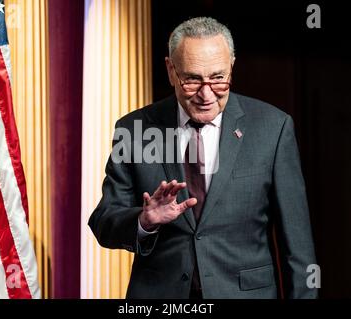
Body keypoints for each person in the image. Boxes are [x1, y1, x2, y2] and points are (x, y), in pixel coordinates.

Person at [89, 17, 317, 299]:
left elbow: (297, 245)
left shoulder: (273, 128)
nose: (206, 94)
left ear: (232, 66)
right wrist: (144, 221)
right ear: (171, 71)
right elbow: (103, 221)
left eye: (218, 78)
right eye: (193, 79)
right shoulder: (134, 130)